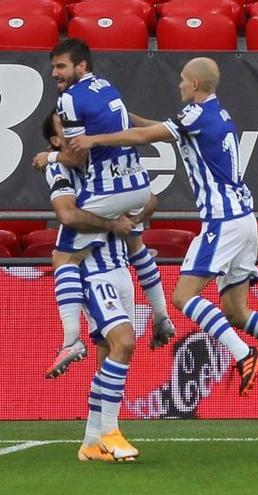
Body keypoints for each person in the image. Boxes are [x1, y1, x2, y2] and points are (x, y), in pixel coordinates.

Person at [71, 57, 258, 404]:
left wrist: (96, 139)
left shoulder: (195, 115)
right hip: (245, 220)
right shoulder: (216, 113)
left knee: (184, 297)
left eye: (182, 79)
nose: (179, 84)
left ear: (194, 84)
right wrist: (123, 118)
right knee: (237, 312)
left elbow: (145, 137)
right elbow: (161, 130)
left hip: (222, 222)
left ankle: (243, 355)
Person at [32, 38, 174, 380]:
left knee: (63, 259)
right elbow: (128, 122)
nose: (55, 74)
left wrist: (50, 156)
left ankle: (70, 339)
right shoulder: (107, 86)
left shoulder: (68, 103)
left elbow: (75, 170)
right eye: (53, 67)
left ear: (81, 66)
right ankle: (161, 315)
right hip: (135, 191)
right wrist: (167, 131)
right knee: (118, 349)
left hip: (108, 229)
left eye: (61, 66)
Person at [42, 111, 150, 461]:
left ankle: (91, 442)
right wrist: (111, 223)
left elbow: (152, 199)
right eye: (67, 132)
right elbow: (69, 216)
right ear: (57, 141)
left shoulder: (101, 159)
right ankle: (110, 430)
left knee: (110, 358)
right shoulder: (60, 168)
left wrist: (131, 216)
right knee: (125, 343)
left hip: (119, 267)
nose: (77, 135)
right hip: (91, 271)